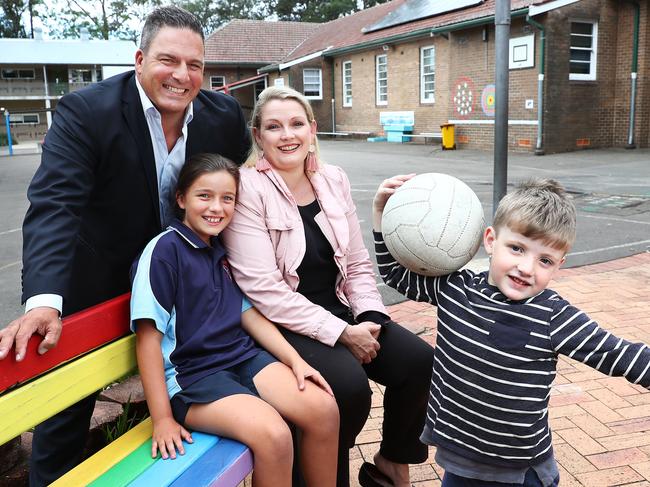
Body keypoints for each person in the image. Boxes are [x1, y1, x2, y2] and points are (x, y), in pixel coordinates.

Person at [0, 6, 251, 485]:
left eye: (194, 65)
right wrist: (44, 300)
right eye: (167, 60)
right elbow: (55, 204)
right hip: (101, 278)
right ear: (139, 60)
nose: (181, 75)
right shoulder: (86, 111)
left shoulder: (223, 116)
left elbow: (242, 181)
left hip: (183, 282)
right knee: (64, 419)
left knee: (227, 368)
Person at [220, 86, 435, 487]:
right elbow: (265, 290)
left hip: (342, 311)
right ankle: (321, 476)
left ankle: (391, 463)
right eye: (274, 126)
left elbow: (355, 262)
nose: (287, 135)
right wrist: (341, 333)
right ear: (258, 137)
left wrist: (369, 316)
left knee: (420, 363)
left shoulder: (333, 179)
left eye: (296, 123)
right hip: (283, 323)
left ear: (312, 129)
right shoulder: (247, 188)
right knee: (349, 389)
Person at [372, 176, 650, 487]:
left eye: (544, 260)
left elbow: (619, 353)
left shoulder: (552, 314)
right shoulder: (454, 289)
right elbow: (395, 274)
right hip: (458, 462)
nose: (527, 268)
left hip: (518, 473)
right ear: (491, 241)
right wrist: (382, 215)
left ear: (559, 264)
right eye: (516, 248)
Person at [131, 153, 338, 487]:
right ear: (181, 198)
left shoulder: (218, 250)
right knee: (273, 434)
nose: (217, 207)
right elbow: (147, 340)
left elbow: (248, 315)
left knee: (322, 409)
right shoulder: (164, 251)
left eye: (227, 198)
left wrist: (295, 361)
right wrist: (162, 419)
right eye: (204, 196)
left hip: (241, 358)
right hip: (193, 378)